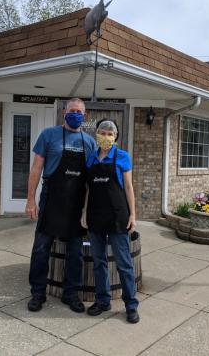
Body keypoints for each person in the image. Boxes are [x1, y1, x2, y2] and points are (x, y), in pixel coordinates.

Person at [26, 98, 96, 313]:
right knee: (41, 248)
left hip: (76, 201)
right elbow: (36, 169)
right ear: (64, 112)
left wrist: (89, 208)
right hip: (51, 197)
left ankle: (70, 293)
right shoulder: (48, 135)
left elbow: (92, 179)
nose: (75, 114)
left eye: (79, 112)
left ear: (84, 116)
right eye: (72, 110)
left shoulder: (89, 142)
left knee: (75, 251)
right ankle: (38, 292)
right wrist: (30, 200)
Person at [81, 119, 140, 323]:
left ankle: (131, 304)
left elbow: (129, 187)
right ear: (96, 134)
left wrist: (132, 215)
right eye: (102, 132)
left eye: (110, 133)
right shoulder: (91, 159)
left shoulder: (122, 157)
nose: (105, 136)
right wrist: (84, 213)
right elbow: (88, 189)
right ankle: (103, 300)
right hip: (95, 216)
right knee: (99, 262)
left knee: (124, 264)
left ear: (115, 137)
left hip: (117, 217)